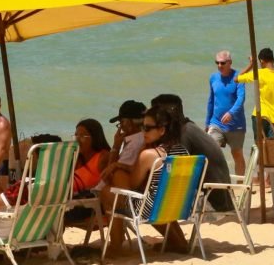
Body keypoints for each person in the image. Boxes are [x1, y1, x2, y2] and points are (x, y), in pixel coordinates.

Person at [109, 105, 190, 255]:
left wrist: (120, 167)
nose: (143, 132)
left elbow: (132, 184)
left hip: (152, 210)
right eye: (142, 127)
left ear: (162, 130)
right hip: (177, 206)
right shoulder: (182, 151)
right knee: (160, 197)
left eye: (147, 128)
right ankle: (178, 242)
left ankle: (115, 246)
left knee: (112, 188)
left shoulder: (149, 155)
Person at [151, 93, 232, 211]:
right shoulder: (189, 128)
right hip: (219, 196)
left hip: (211, 202)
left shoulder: (183, 136)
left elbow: (176, 177)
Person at [206, 49, 246, 175]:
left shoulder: (238, 77)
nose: (219, 66)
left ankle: (240, 183)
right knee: (211, 151)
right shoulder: (213, 78)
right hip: (216, 123)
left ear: (230, 62)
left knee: (236, 154)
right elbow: (211, 100)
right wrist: (207, 122)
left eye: (222, 63)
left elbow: (241, 98)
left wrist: (231, 113)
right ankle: (218, 180)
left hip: (236, 125)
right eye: (217, 62)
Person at [72, 119, 111, 194]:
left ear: (94, 137)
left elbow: (109, 186)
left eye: (82, 136)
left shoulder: (103, 157)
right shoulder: (75, 157)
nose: (77, 140)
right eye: (76, 135)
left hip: (88, 202)